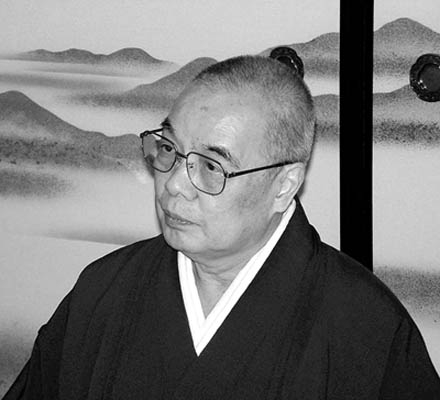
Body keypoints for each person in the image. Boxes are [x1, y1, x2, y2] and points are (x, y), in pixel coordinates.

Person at [4, 55, 440, 400]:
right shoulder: (104, 290)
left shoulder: (364, 328)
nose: (174, 184)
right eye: (169, 149)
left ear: (283, 185)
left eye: (212, 166)